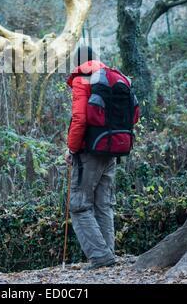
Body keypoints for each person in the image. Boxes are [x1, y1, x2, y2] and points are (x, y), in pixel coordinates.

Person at [65, 45, 139, 270]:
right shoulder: (116, 78)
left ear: (78, 61)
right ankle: (108, 253)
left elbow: (79, 119)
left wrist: (71, 148)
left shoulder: (82, 80)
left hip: (90, 151)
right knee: (103, 204)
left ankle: (100, 257)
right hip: (113, 148)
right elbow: (134, 116)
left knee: (79, 205)